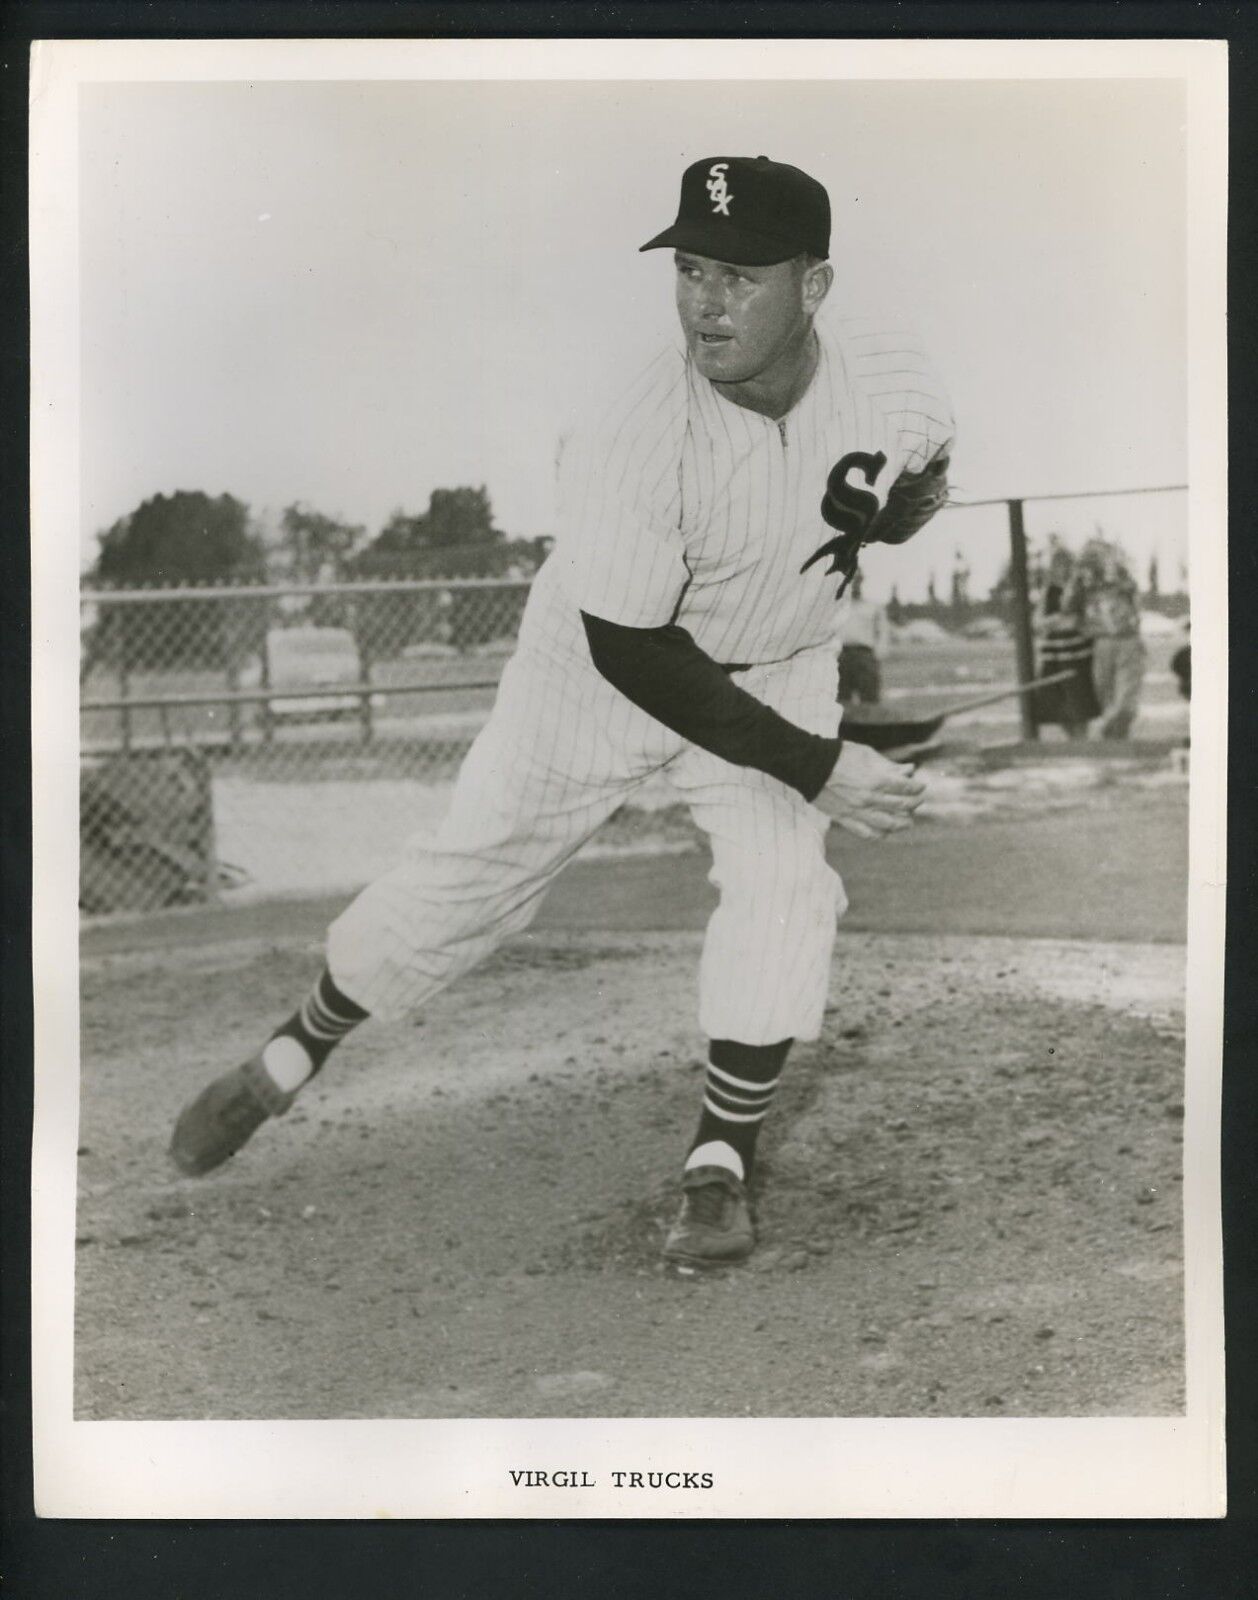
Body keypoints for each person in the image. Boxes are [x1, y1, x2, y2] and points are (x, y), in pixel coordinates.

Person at [170, 155, 953, 1267]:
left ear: (814, 288)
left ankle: (718, 1162)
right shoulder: (634, 426)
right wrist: (820, 764)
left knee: (786, 883)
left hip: (776, 662)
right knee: (468, 875)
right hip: (596, 671)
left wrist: (875, 535)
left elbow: (921, 468)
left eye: (737, 275)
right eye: (688, 269)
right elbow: (632, 646)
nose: (704, 301)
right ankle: (294, 1052)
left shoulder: (896, 381)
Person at [1076, 537, 1145, 740]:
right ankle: (1113, 736)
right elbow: (1070, 607)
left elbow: (1131, 593)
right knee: (1105, 694)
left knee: (1126, 697)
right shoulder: (1086, 586)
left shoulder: (1125, 583)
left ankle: (1114, 729)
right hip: (1102, 641)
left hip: (1126, 639)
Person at [1030, 549, 1099, 739]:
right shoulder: (1048, 590)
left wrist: (1065, 620)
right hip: (1055, 653)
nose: (1063, 569)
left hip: (1077, 652)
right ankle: (1073, 739)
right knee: (1055, 700)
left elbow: (1080, 619)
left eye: (1067, 564)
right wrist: (1058, 620)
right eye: (1058, 565)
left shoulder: (1080, 587)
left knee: (1079, 699)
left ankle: (1081, 739)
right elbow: (1038, 622)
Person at [838, 572, 891, 706]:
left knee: (870, 700)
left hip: (865, 656)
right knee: (841, 701)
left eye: (857, 579)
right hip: (842, 656)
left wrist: (877, 656)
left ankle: (871, 727)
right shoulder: (837, 606)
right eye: (850, 579)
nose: (853, 583)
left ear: (861, 581)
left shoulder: (873, 606)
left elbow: (883, 632)